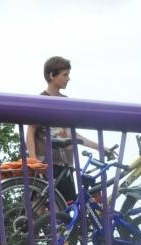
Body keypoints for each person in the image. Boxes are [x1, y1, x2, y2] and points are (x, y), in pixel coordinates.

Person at [25, 56, 111, 204]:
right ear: (52, 75)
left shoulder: (66, 101)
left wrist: (100, 147)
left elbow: (72, 134)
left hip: (65, 165)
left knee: (66, 208)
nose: (68, 79)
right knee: (41, 204)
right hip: (47, 163)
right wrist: (34, 162)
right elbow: (31, 131)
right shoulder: (41, 100)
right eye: (65, 75)